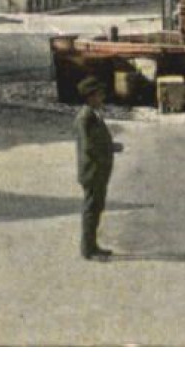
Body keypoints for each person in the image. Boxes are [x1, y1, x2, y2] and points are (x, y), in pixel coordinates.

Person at [75, 75, 123, 260]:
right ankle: (88, 250)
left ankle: (93, 245)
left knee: (96, 208)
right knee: (91, 209)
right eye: (99, 95)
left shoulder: (92, 114)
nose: (102, 98)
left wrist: (112, 146)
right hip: (92, 171)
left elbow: (97, 140)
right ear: (90, 97)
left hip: (98, 171)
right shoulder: (85, 117)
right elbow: (88, 146)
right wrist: (107, 150)